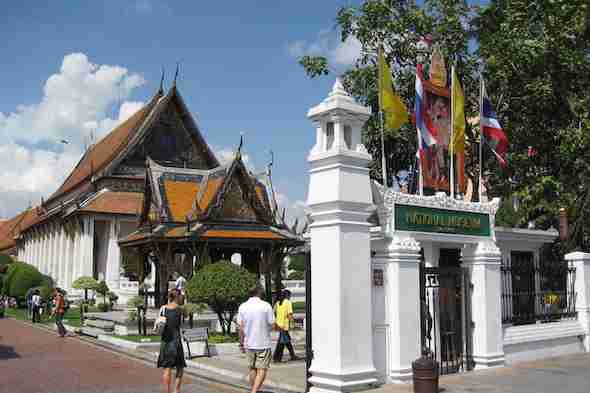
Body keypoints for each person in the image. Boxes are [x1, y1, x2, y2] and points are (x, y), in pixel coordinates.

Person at [238, 286, 276, 393]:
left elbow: (240, 327)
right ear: (259, 293)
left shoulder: (243, 306)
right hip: (263, 343)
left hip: (249, 343)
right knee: (262, 369)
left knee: (252, 368)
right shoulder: (266, 306)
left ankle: (254, 390)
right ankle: (254, 391)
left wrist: (241, 343)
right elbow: (273, 325)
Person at [157, 290, 186, 393]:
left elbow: (159, 321)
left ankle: (167, 391)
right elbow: (183, 322)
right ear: (177, 297)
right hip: (176, 341)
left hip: (165, 341)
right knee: (180, 367)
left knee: (167, 368)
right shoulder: (180, 310)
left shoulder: (163, 308)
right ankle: (176, 391)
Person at [273, 290, 298, 363]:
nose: (290, 297)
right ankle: (277, 358)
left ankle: (292, 355)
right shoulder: (288, 302)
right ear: (287, 295)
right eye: (290, 296)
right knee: (282, 343)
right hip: (284, 326)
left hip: (278, 325)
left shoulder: (278, 303)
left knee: (287, 341)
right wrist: (293, 324)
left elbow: (274, 312)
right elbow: (290, 314)